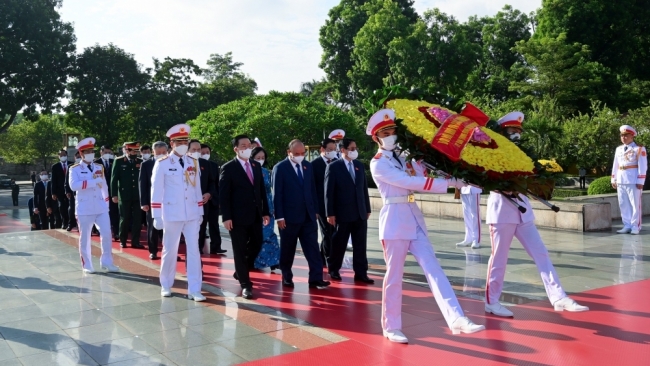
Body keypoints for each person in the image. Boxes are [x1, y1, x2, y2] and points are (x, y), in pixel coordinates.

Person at [367, 108, 484, 343]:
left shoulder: (403, 158)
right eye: (385, 132)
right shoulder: (378, 164)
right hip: (395, 222)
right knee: (394, 277)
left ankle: (456, 318)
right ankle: (391, 327)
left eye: (393, 130)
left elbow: (423, 172)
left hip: (413, 219)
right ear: (376, 137)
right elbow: (412, 182)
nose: (391, 135)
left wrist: (442, 165)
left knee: (435, 270)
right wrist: (450, 184)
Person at [484, 112, 589, 318]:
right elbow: (488, 178)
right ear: (503, 131)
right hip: (502, 212)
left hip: (523, 212)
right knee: (499, 259)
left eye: (518, 131)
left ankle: (558, 297)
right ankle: (492, 301)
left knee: (541, 253)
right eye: (513, 131)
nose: (517, 135)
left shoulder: (523, 153)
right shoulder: (491, 151)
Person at [151, 124, 205, 301]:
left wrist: (200, 211)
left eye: (185, 141)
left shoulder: (193, 162)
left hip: (191, 214)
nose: (183, 144)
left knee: (194, 250)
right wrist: (156, 215)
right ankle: (166, 284)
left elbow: (197, 189)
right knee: (170, 250)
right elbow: (156, 190)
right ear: (171, 143)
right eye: (179, 141)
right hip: (171, 213)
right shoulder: (163, 163)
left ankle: (195, 288)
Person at [273, 139, 331, 290]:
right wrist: (279, 216)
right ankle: (287, 276)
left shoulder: (307, 166)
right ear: (289, 153)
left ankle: (316, 278)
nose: (300, 156)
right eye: (296, 153)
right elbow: (277, 194)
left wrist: (316, 210)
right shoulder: (280, 168)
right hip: (289, 218)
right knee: (288, 249)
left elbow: (312, 189)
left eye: (302, 153)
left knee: (312, 248)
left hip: (308, 216)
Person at [220, 135, 270, 299]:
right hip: (237, 217)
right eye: (243, 146)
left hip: (255, 215)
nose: (247, 148)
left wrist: (265, 212)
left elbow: (261, 190)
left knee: (257, 244)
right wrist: (226, 217)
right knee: (239, 250)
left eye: (249, 145)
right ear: (236, 149)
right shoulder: (229, 168)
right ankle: (245, 284)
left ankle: (240, 271)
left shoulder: (255, 166)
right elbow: (224, 195)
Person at [324, 138, 373, 283]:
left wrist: (367, 208)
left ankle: (361, 273)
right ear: (343, 150)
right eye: (351, 148)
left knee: (360, 244)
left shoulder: (359, 165)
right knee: (340, 243)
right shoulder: (334, 167)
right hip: (342, 213)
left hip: (359, 212)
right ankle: (334, 269)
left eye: (355, 148)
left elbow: (363, 188)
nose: (354, 151)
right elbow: (328, 192)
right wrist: (330, 213)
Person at [68, 137, 119, 274]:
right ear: (82, 153)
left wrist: (106, 203)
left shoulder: (99, 167)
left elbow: (104, 186)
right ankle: (87, 264)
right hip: (84, 208)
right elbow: (73, 186)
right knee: (85, 237)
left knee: (107, 234)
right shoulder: (75, 169)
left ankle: (107, 261)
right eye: (88, 151)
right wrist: (92, 182)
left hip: (100, 207)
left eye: (92, 150)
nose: (91, 153)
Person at [611, 124, 647, 235]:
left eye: (626, 135)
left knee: (635, 204)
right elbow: (615, 165)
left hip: (633, 179)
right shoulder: (619, 149)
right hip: (621, 179)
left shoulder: (639, 149)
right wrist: (613, 178)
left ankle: (636, 226)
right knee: (623, 204)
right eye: (622, 135)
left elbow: (643, 166)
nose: (623, 137)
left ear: (632, 136)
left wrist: (640, 181)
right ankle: (627, 224)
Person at [251, 146, 280, 270]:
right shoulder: (249, 172)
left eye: (262, 158)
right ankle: (257, 261)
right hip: (255, 207)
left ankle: (274, 261)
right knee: (258, 236)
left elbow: (270, 190)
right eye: (258, 158)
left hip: (268, 207)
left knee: (270, 235)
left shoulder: (266, 172)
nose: (260, 160)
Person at [111, 142, 144, 248]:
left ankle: (135, 241)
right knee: (124, 218)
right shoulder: (119, 161)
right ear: (127, 150)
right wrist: (114, 194)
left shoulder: (140, 161)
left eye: (136, 151)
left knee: (137, 220)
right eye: (133, 151)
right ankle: (123, 240)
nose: (135, 153)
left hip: (137, 195)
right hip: (124, 195)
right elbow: (114, 179)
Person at [188, 140, 217, 255]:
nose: (196, 152)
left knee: (201, 227)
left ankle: (198, 249)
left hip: (202, 203)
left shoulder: (205, 164)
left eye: (198, 150)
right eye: (193, 150)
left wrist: (209, 193)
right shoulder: (182, 163)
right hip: (186, 203)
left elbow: (212, 182)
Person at [312, 138, 338, 265]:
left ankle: (321, 256)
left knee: (333, 232)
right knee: (327, 232)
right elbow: (312, 188)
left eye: (334, 150)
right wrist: (315, 208)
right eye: (329, 150)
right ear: (322, 149)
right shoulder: (314, 165)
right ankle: (329, 259)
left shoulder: (337, 163)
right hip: (321, 206)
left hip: (335, 205)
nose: (332, 152)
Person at [140, 141, 167, 259]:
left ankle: (169, 251)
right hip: (152, 202)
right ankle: (153, 251)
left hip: (168, 201)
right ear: (153, 152)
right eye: (158, 152)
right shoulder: (146, 164)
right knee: (152, 227)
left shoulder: (172, 163)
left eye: (164, 152)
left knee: (168, 228)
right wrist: (144, 202)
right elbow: (143, 184)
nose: (161, 154)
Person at [200, 144, 225, 254]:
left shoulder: (214, 165)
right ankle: (199, 246)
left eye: (207, 152)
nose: (205, 155)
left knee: (214, 224)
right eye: (203, 152)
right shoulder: (194, 165)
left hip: (213, 199)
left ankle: (216, 246)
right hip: (201, 200)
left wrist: (216, 197)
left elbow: (216, 183)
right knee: (201, 225)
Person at [96, 146, 118, 239]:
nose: (107, 154)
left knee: (115, 212)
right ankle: (102, 231)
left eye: (109, 152)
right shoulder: (96, 163)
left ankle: (116, 232)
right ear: (101, 152)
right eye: (105, 152)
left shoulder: (114, 162)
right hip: (101, 193)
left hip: (112, 192)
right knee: (102, 213)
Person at [51, 149, 71, 229]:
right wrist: (53, 193)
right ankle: (64, 222)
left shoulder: (71, 164)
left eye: (64, 155)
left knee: (70, 207)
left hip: (70, 190)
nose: (63, 156)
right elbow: (53, 180)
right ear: (58, 156)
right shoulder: (55, 167)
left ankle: (71, 222)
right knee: (62, 207)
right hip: (60, 191)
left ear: (67, 155)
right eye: (61, 155)